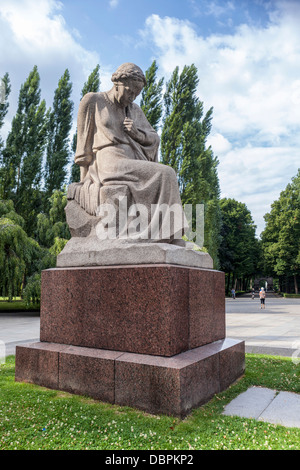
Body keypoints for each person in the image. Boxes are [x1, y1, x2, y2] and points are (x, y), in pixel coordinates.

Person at [69, 62, 188, 242]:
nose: (132, 97)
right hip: (109, 162)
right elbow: (83, 147)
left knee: (165, 174)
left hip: (132, 159)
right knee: (166, 173)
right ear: (118, 82)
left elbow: (154, 138)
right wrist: (85, 180)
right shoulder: (94, 101)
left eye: (136, 94)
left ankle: (167, 233)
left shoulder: (134, 110)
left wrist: (136, 133)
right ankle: (163, 233)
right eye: (129, 91)